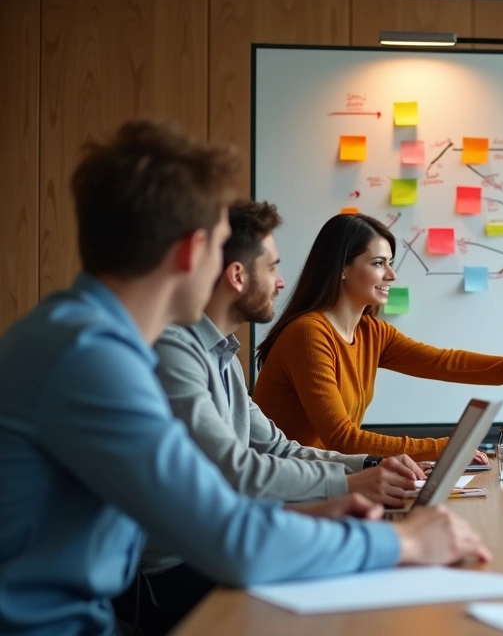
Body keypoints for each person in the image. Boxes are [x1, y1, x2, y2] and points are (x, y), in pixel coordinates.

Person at [0, 118, 490, 636]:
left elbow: (224, 496)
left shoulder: (87, 337)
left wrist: (319, 512)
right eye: (219, 247)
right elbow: (228, 533)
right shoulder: (91, 358)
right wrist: (406, 542)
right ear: (193, 252)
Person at [118, 200, 433, 634]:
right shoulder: (174, 349)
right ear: (238, 276)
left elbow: (277, 447)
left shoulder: (224, 355)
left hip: (222, 544)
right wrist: (348, 482)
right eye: (274, 268)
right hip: (172, 571)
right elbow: (232, 469)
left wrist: (369, 465)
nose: (283, 282)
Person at [252, 213, 503, 459]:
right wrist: (446, 448)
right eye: (379, 263)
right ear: (342, 267)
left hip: (330, 476)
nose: (391, 275)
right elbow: (343, 439)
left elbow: (442, 362)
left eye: (390, 263)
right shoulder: (309, 334)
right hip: (287, 488)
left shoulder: (371, 332)